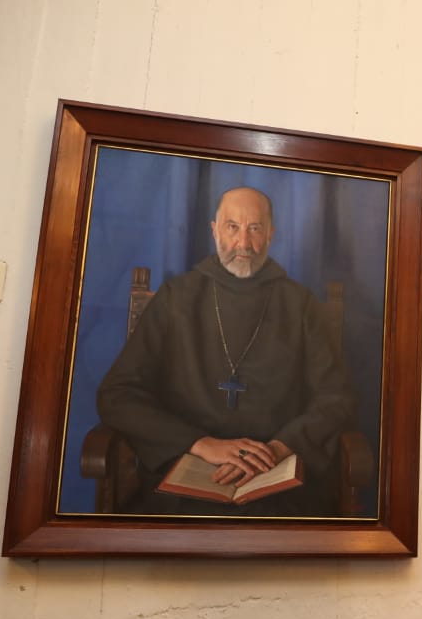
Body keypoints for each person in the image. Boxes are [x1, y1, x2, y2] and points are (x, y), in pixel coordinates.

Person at [97, 186, 356, 518]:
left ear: (271, 234)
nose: (243, 244)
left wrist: (278, 448)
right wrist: (200, 444)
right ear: (214, 229)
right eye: (233, 227)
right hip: (185, 472)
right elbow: (116, 394)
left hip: (276, 480)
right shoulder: (176, 298)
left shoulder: (300, 304)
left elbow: (337, 398)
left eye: (255, 228)